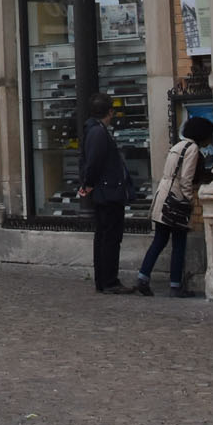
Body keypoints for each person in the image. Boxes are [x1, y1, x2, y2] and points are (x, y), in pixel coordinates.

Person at [136, 116, 213, 298]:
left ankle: (143, 277)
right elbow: (186, 178)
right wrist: (188, 200)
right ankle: (175, 284)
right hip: (176, 199)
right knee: (179, 243)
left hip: (163, 196)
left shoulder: (178, 146)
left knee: (159, 240)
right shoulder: (192, 149)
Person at [74, 97, 133, 293]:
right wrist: (88, 185)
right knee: (109, 237)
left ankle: (104, 280)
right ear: (109, 112)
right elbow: (93, 163)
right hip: (108, 192)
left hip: (105, 190)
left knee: (104, 236)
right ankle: (109, 280)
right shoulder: (98, 132)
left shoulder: (93, 130)